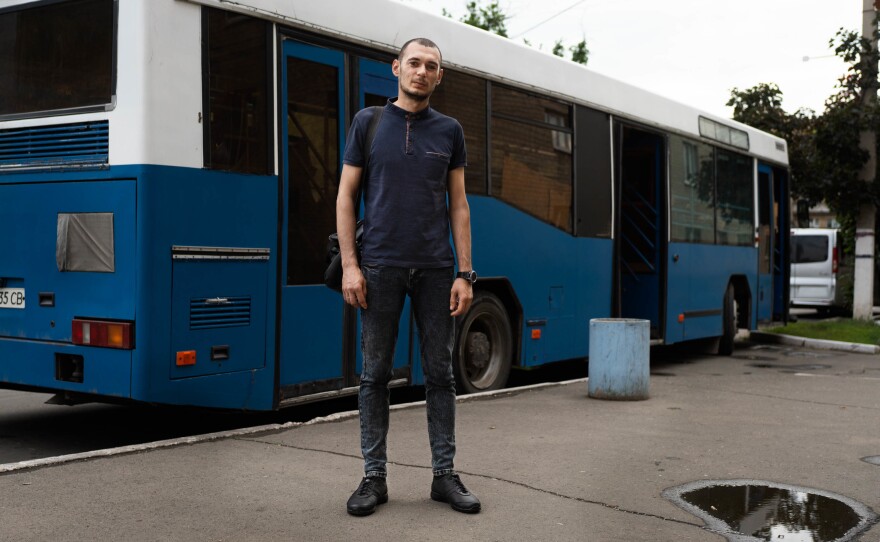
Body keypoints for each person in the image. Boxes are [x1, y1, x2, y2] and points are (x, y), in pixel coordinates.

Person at [335, 37, 481, 516]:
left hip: (438, 270)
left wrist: (465, 273)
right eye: (414, 63)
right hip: (380, 268)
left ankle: (444, 476)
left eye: (431, 66)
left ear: (440, 76)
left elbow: (458, 205)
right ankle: (373, 479)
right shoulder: (368, 122)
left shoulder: (450, 131)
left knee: (440, 375)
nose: (421, 71)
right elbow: (345, 197)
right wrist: (352, 267)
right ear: (396, 68)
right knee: (375, 375)